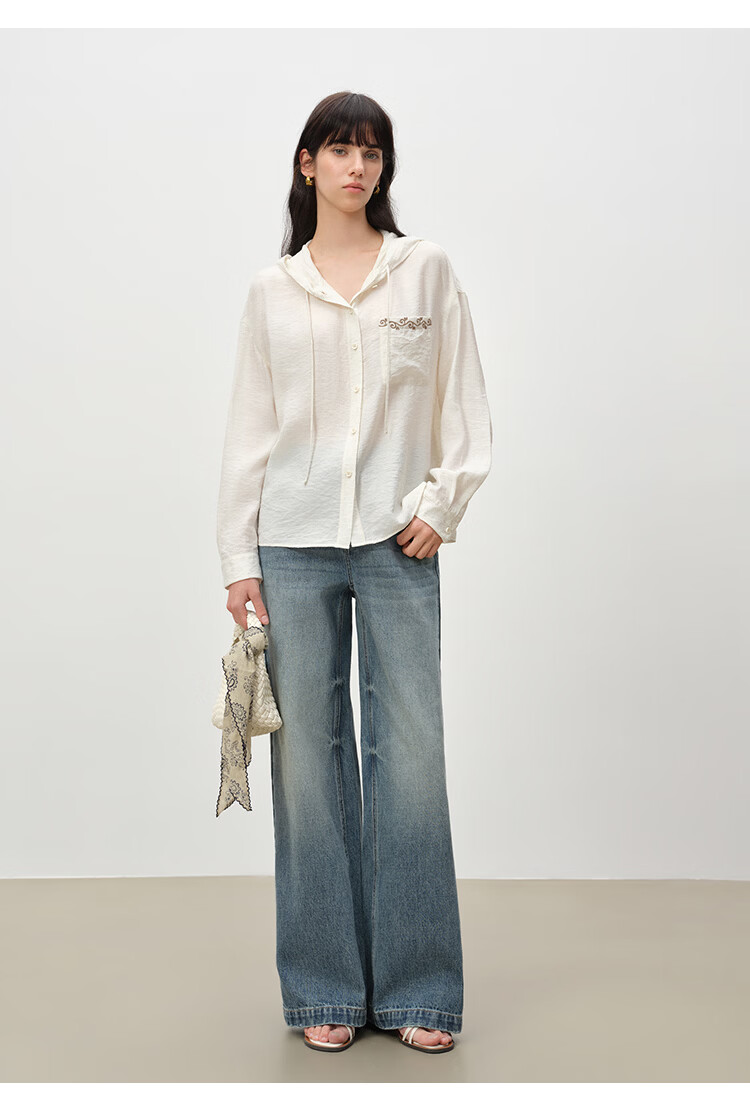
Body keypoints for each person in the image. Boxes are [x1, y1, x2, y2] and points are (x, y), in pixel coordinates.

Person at [216, 91, 493, 1054]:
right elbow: (249, 428)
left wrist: (441, 503)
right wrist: (238, 557)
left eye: (372, 151)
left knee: (409, 757)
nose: (357, 166)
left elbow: (463, 399)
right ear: (308, 164)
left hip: (394, 541)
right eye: (340, 149)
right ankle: (324, 985)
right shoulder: (273, 290)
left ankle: (420, 990)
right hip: (291, 548)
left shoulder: (424, 271)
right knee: (308, 762)